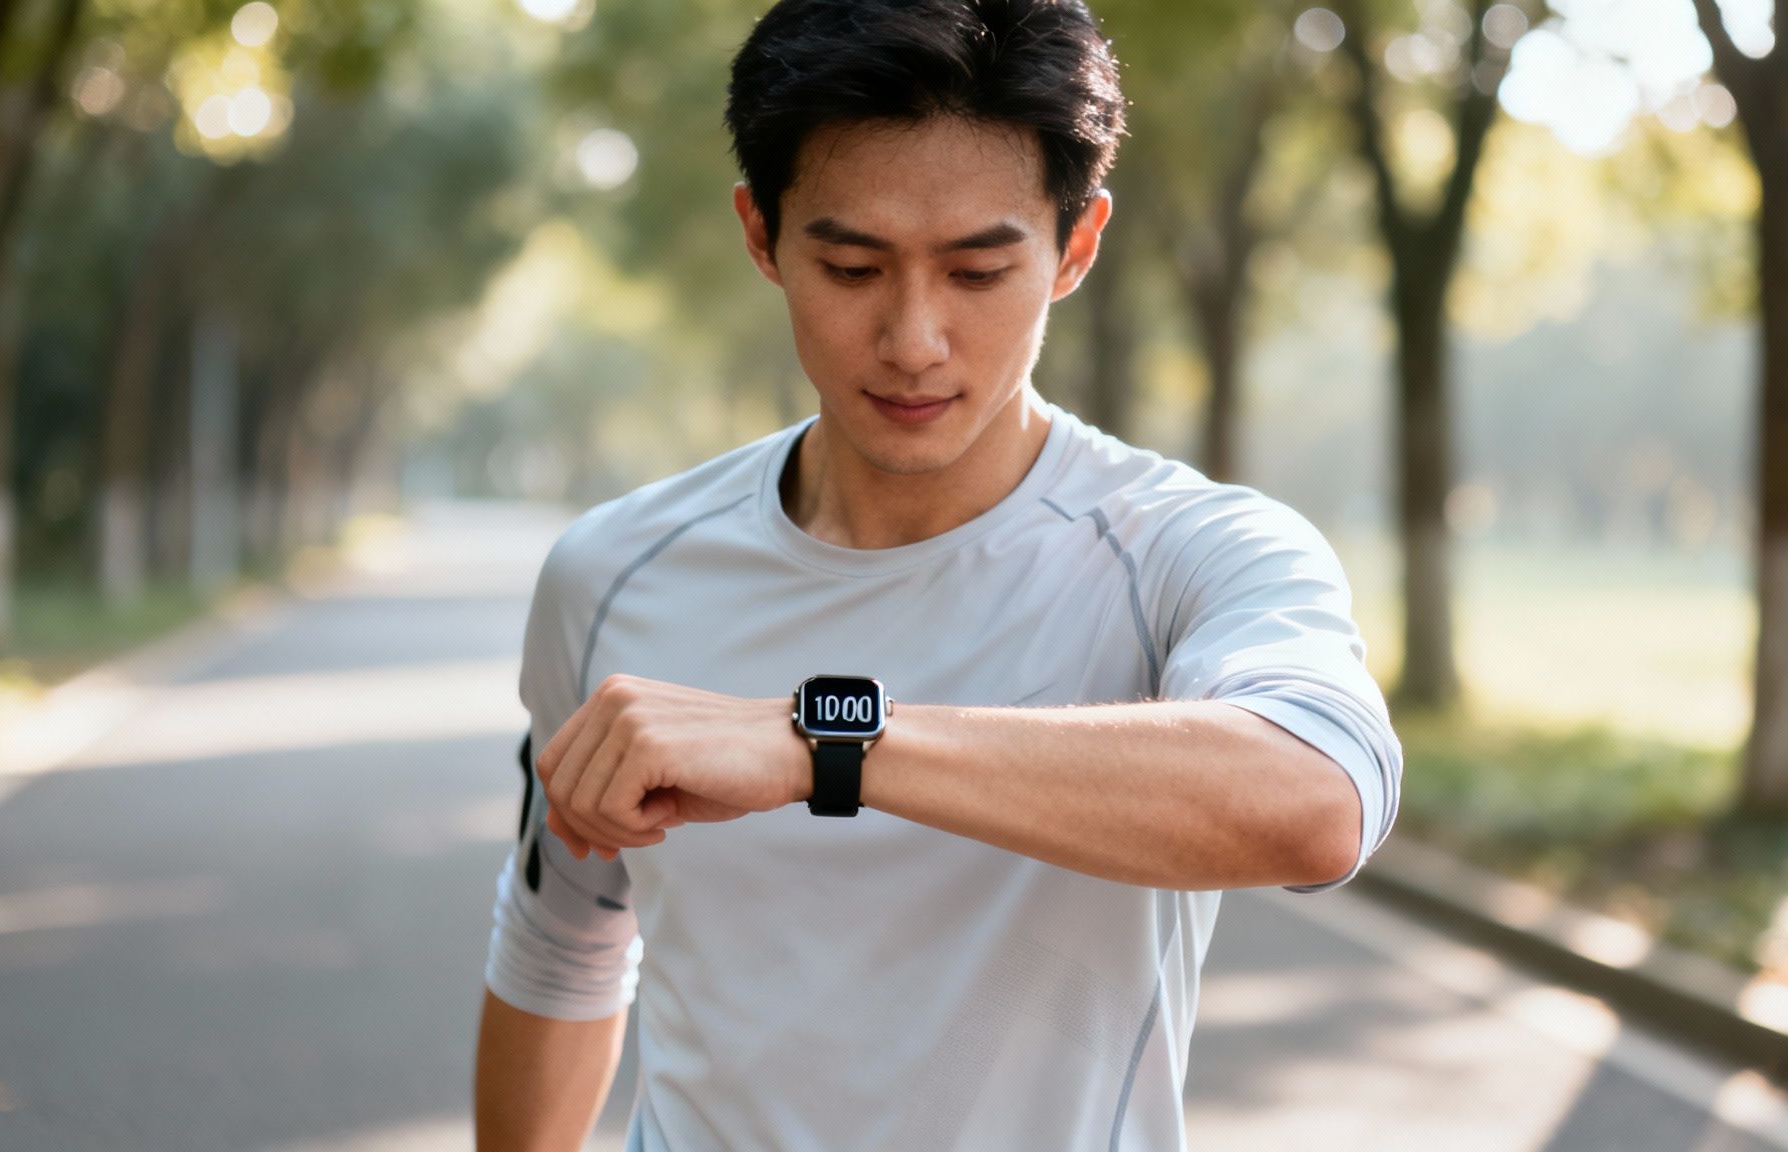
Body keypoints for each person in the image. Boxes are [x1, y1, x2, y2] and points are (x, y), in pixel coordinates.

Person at [472, 1, 1402, 1148]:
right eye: (851, 265)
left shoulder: (1190, 550)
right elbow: (560, 948)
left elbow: (1317, 803)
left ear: (1073, 246)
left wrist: (822, 745)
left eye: (975, 271)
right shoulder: (611, 574)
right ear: (760, 236)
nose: (913, 339)